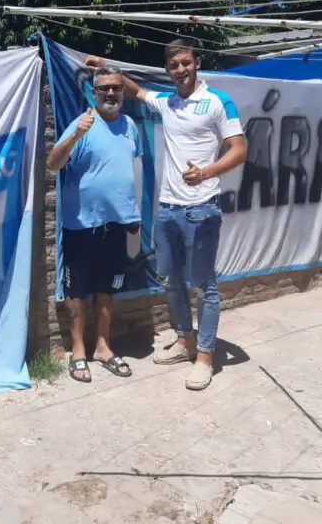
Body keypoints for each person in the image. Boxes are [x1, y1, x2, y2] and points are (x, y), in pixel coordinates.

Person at [85, 39, 247, 391]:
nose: (180, 70)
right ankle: (185, 339)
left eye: (185, 63)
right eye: (173, 66)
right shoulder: (168, 101)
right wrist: (104, 64)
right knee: (171, 281)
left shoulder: (218, 101)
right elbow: (136, 90)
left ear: (197, 63)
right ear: (169, 70)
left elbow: (239, 150)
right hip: (168, 209)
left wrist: (205, 172)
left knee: (203, 286)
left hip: (202, 208)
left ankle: (205, 356)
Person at [47, 66, 143, 383]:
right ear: (94, 92)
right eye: (104, 89)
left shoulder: (130, 126)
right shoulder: (82, 125)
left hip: (116, 226)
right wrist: (76, 134)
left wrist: (133, 216)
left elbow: (131, 173)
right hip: (82, 227)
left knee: (106, 291)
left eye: (116, 88)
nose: (111, 94)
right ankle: (78, 351)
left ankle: (103, 347)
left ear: (122, 91)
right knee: (78, 293)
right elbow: (53, 164)